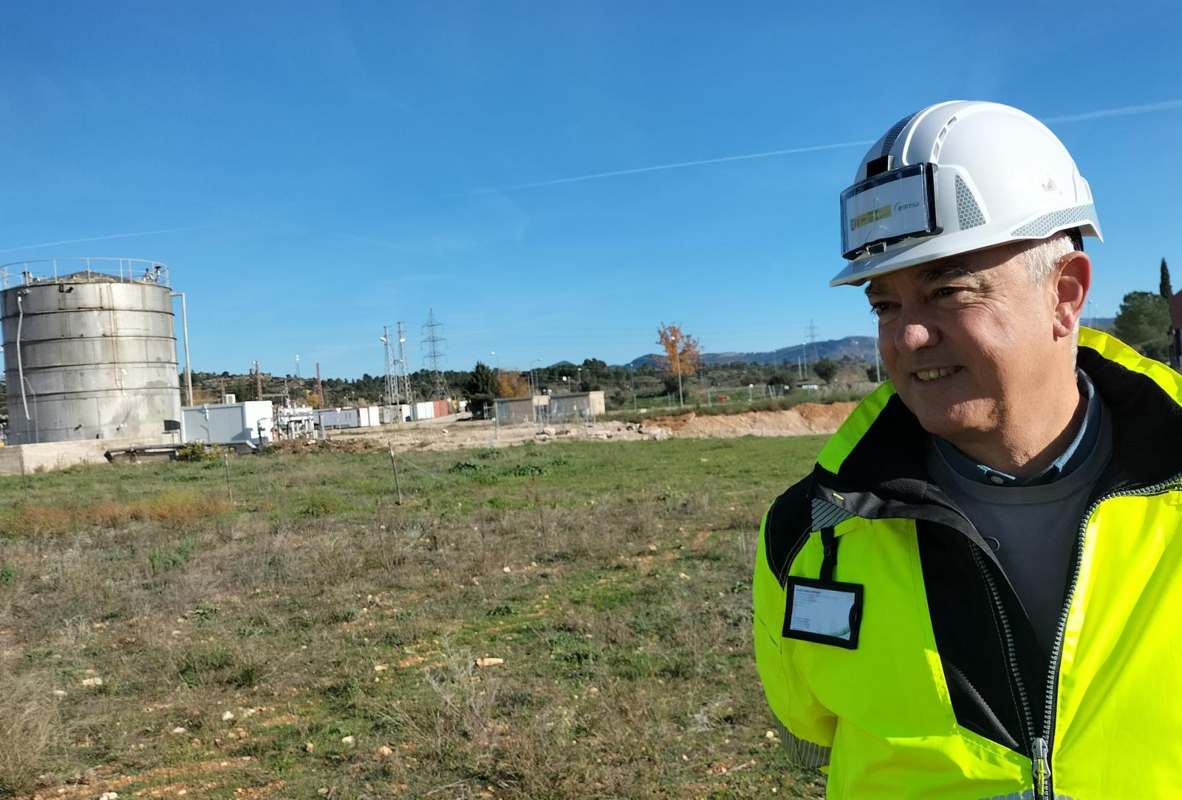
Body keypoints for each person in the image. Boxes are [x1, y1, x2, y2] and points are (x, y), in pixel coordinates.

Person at [752, 100, 1182, 799]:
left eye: (948, 291)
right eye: (884, 305)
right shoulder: (811, 530)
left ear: (1065, 295)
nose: (906, 338)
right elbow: (811, 724)